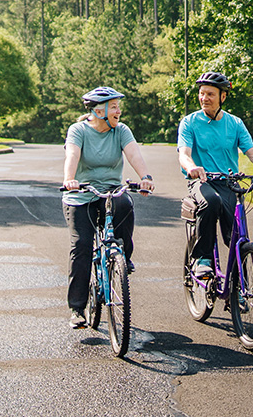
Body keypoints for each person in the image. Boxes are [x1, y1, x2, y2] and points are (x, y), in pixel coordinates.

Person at [62, 86, 155, 329]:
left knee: (125, 203)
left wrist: (145, 176)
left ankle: (122, 256)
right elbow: (72, 155)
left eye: (117, 106)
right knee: (82, 246)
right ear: (97, 110)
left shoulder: (121, 131)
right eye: (114, 107)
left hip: (110, 192)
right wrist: (70, 179)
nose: (119, 111)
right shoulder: (78, 130)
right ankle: (77, 308)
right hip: (81, 195)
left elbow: (133, 153)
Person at [178, 71, 253, 278]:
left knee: (235, 235)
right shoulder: (189, 122)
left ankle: (239, 287)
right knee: (210, 203)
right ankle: (203, 259)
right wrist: (192, 167)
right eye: (201, 93)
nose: (204, 98)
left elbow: (252, 153)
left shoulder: (235, 123)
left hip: (228, 183)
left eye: (210, 94)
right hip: (202, 181)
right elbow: (184, 154)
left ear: (222, 97)